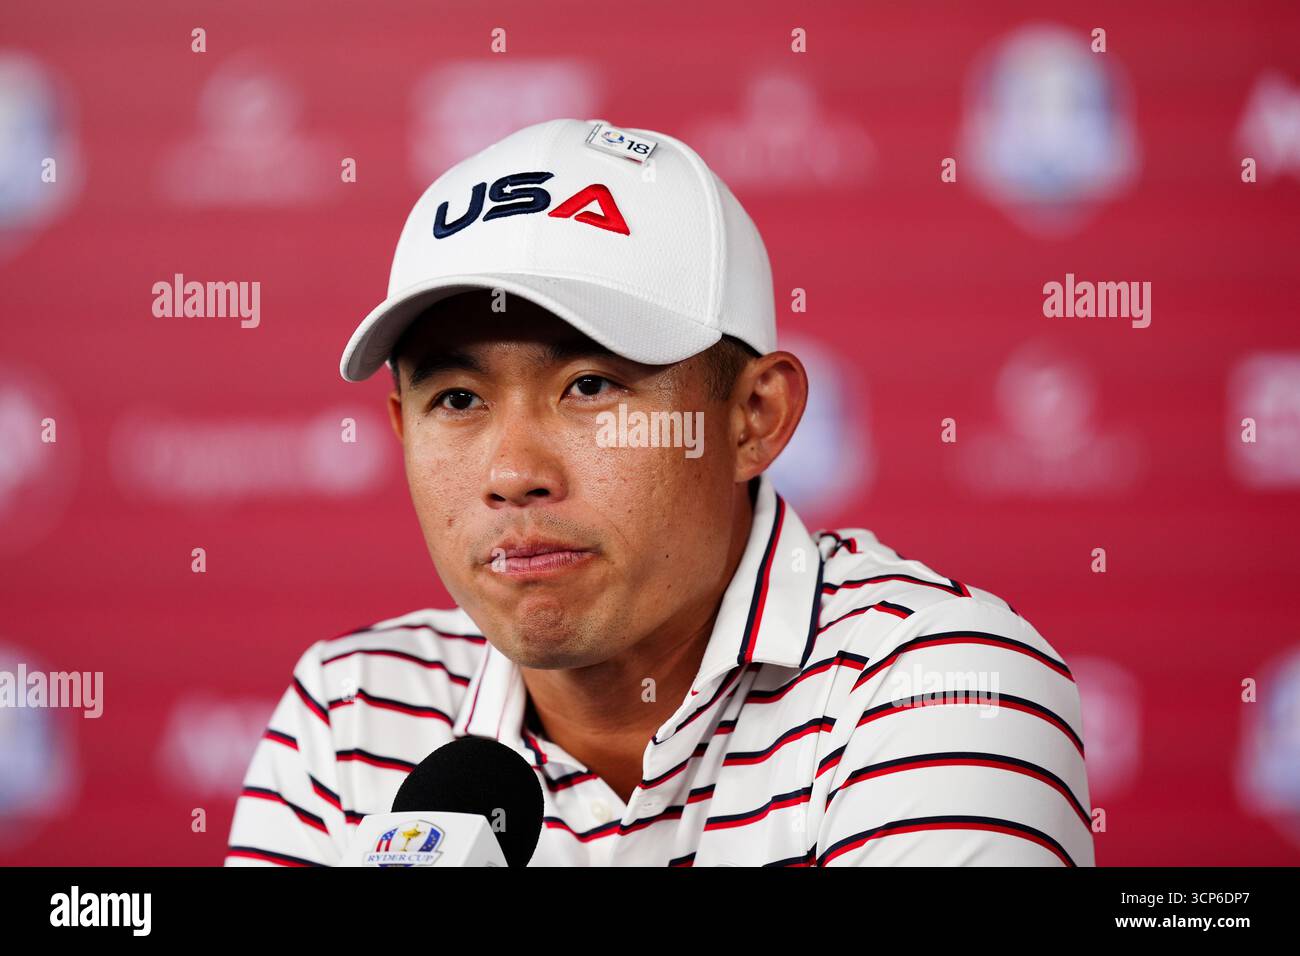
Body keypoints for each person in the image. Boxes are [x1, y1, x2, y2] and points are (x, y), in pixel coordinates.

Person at [225, 118, 1094, 866]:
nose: (512, 473)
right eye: (457, 400)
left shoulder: (941, 688)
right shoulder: (349, 712)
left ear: (755, 417)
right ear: (402, 430)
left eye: (592, 386)